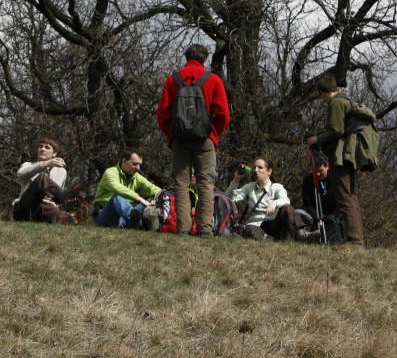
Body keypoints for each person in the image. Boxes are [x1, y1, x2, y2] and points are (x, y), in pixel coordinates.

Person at [156, 43, 231, 236]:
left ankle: (183, 228)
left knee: (181, 183)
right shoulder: (213, 80)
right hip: (205, 139)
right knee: (205, 183)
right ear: (204, 59)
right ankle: (205, 229)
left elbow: (163, 114)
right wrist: (214, 134)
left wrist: (171, 135)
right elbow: (223, 114)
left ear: (186, 56)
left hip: (179, 139)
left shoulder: (172, 80)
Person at [305, 73, 365, 247]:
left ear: (323, 92)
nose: (321, 99)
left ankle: (354, 240)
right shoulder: (345, 101)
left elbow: (337, 130)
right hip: (348, 155)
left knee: (344, 197)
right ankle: (355, 238)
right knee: (350, 196)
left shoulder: (336, 103)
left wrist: (317, 139)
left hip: (341, 157)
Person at [226, 156, 305, 240]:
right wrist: (236, 179)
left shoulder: (276, 187)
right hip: (254, 226)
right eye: (254, 167)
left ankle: (294, 237)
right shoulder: (249, 187)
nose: (256, 170)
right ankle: (270, 239)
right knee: (251, 230)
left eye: (260, 168)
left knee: (287, 209)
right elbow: (229, 198)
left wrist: (275, 203)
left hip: (272, 224)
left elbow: (286, 200)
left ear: (269, 171)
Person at [93, 149, 162, 229]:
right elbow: (117, 188)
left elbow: (154, 189)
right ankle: (138, 222)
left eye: (139, 165)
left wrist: (156, 198)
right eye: (135, 164)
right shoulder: (110, 172)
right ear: (124, 161)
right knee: (117, 197)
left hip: (125, 217)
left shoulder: (137, 178)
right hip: (106, 216)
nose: (138, 168)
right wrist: (139, 199)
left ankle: (144, 223)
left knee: (153, 200)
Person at [12, 137, 71, 224]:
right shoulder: (28, 165)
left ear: (54, 153)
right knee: (42, 178)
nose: (42, 149)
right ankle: (68, 200)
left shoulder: (61, 171)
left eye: (47, 147)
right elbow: (21, 175)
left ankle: (67, 219)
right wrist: (45, 164)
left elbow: (51, 199)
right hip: (24, 209)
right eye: (40, 147)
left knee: (47, 205)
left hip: (44, 210)